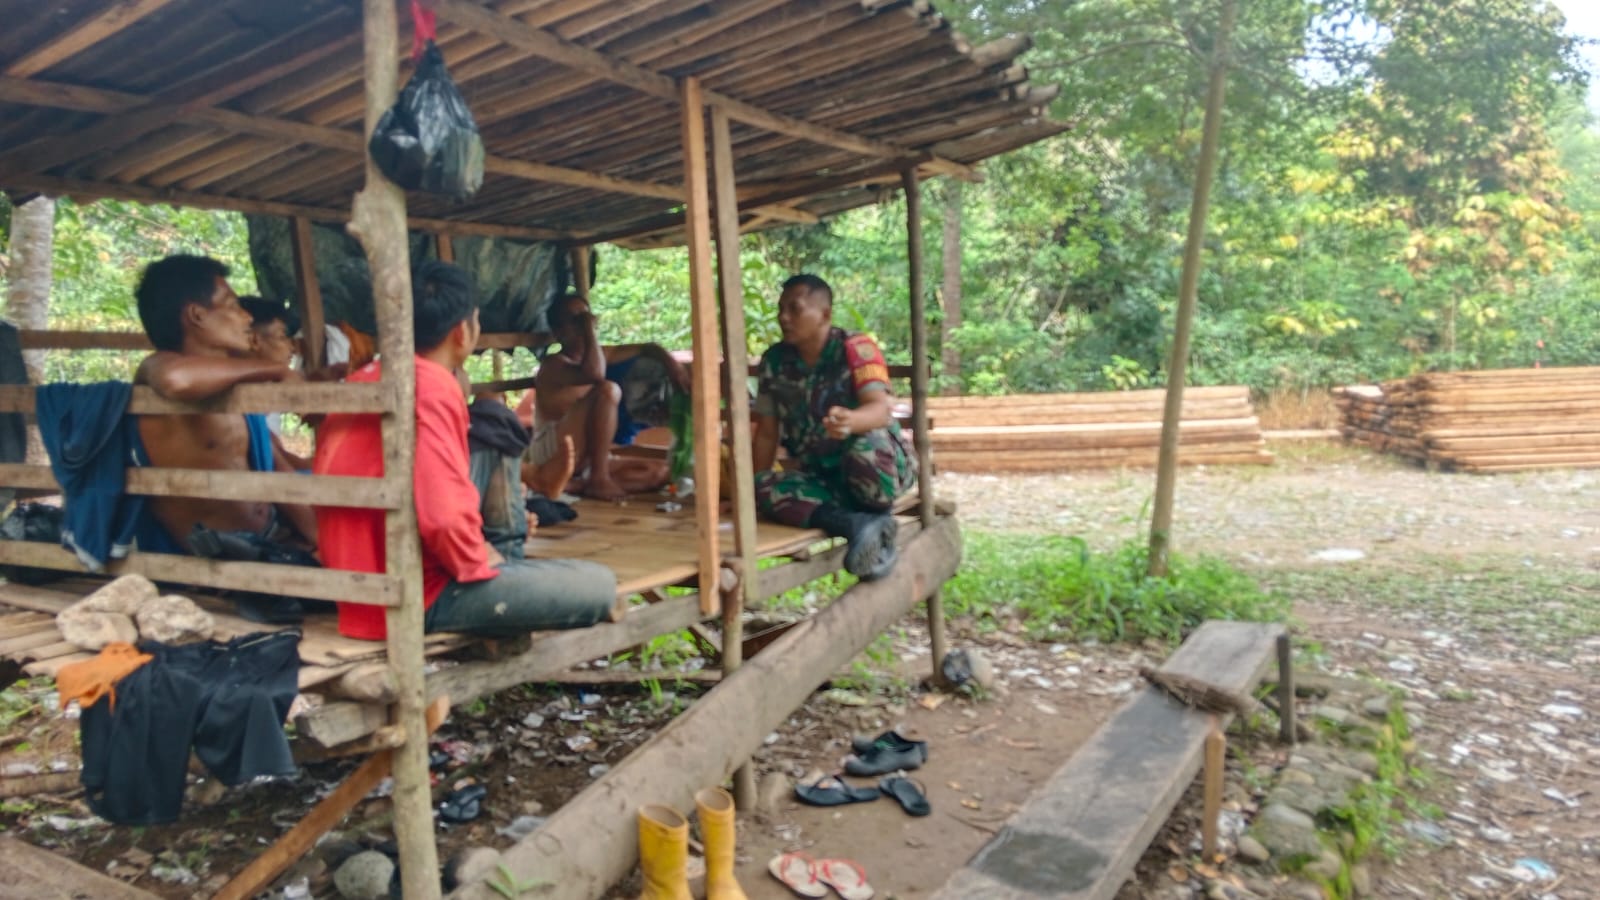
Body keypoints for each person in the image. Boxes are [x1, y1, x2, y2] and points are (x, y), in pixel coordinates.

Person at [314, 261, 617, 640]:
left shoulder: (365, 379)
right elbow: (441, 517)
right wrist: (476, 558)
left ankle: (504, 563)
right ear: (462, 332)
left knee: (491, 423)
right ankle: (503, 572)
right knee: (600, 584)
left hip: (357, 593)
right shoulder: (432, 386)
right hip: (413, 598)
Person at [132, 255, 318, 551]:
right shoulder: (156, 367)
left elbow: (277, 470)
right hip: (216, 559)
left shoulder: (232, 389)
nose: (246, 317)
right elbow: (176, 380)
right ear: (197, 315)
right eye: (232, 306)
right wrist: (276, 370)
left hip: (272, 539)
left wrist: (319, 541)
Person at [752, 274, 916, 580]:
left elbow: (880, 410)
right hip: (823, 478)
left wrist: (851, 422)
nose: (783, 317)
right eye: (781, 309)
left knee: (864, 447)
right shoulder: (774, 361)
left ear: (825, 314)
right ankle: (859, 526)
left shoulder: (856, 348)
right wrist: (753, 490)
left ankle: (875, 520)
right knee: (761, 487)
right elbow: (766, 433)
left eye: (795, 309)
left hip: (878, 470)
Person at [526, 295, 690, 501]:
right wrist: (588, 329)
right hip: (553, 452)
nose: (582, 325)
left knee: (661, 473)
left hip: (586, 458)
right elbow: (594, 374)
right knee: (607, 390)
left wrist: (673, 365)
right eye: (575, 321)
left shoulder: (600, 356)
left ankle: (577, 484)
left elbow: (647, 347)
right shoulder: (553, 364)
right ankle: (597, 479)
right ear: (558, 331)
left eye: (585, 318)